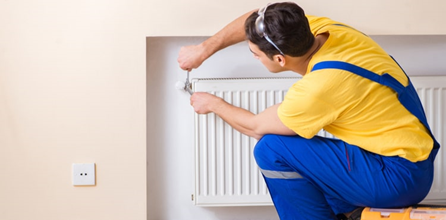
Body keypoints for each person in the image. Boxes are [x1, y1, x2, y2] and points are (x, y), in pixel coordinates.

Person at [177, 2, 440, 220]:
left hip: (396, 178)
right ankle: (351, 213)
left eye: (255, 54)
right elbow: (258, 20)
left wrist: (213, 104)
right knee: (307, 163)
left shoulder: (320, 87)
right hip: (407, 161)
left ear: (280, 60)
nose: (254, 57)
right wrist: (204, 49)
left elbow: (255, 126)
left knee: (272, 149)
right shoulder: (328, 31)